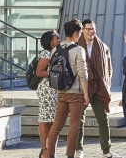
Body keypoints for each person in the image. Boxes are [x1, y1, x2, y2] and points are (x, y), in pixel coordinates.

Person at [44, 19, 89, 158]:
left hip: (61, 91)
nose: (80, 35)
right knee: (74, 125)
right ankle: (70, 155)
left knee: (56, 126)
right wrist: (86, 94)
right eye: (80, 33)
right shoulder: (78, 50)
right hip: (76, 93)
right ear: (75, 33)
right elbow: (83, 73)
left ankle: (50, 155)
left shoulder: (55, 49)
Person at [75, 19, 119, 158]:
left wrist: (107, 82)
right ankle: (78, 150)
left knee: (103, 120)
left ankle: (106, 151)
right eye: (88, 29)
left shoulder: (102, 46)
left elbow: (109, 67)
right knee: (78, 120)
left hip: (99, 87)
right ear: (82, 30)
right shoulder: (76, 46)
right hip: (81, 87)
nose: (91, 31)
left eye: (93, 28)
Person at [36, 30, 61, 158]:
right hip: (47, 90)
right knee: (45, 120)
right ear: (51, 41)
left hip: (54, 90)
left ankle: (50, 150)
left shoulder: (56, 53)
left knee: (53, 121)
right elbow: (39, 72)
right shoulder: (46, 53)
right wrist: (54, 74)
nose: (59, 40)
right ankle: (44, 150)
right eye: (57, 38)